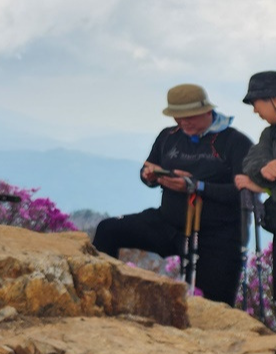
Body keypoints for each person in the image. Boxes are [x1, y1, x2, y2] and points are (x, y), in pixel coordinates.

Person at [92, 83, 253, 306]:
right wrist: (149, 176)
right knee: (108, 230)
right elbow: (148, 167)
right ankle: (100, 298)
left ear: (207, 111)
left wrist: (196, 186)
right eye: (178, 117)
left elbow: (245, 193)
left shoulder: (236, 142)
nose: (184, 122)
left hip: (216, 234)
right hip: (168, 222)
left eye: (190, 116)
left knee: (213, 303)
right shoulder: (168, 136)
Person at [237, 71, 276, 316]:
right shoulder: (271, 134)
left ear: (274, 98)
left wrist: (265, 182)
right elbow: (252, 160)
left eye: (256, 103)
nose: (255, 111)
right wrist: (264, 168)